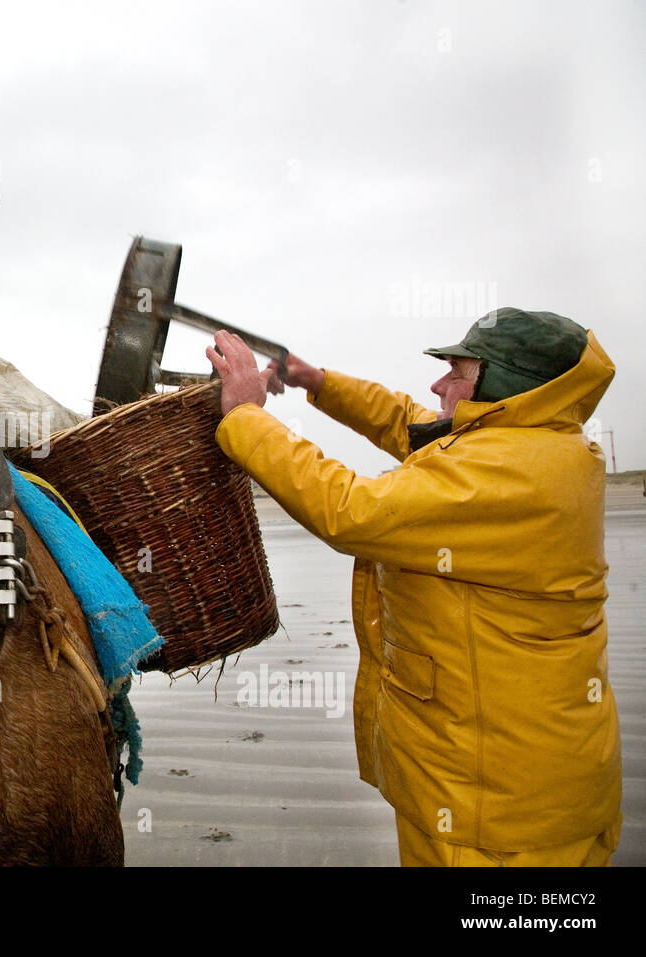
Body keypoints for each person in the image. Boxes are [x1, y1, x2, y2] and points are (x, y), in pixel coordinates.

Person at [205, 307, 621, 866]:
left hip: (493, 814)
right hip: (530, 783)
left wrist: (247, 416)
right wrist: (317, 381)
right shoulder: (539, 444)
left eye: (458, 373)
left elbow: (350, 512)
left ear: (507, 387)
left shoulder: (508, 474)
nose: (438, 385)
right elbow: (414, 425)